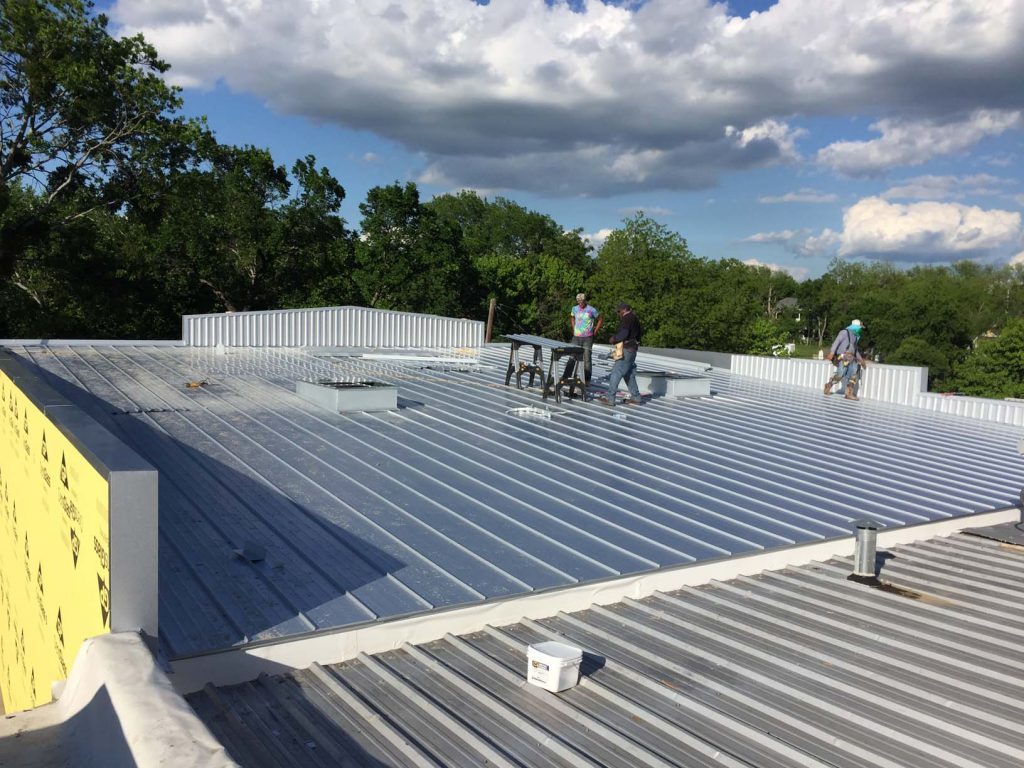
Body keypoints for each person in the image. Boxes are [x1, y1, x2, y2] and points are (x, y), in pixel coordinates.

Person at [599, 303, 643, 406]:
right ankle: (636, 397)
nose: (618, 314)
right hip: (632, 349)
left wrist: (614, 338)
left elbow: (624, 333)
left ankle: (610, 398)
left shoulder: (627, 318)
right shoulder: (635, 318)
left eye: (618, 312)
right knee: (628, 374)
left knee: (616, 372)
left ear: (623, 310)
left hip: (626, 349)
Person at [563, 292, 603, 386]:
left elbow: (600, 319)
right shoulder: (574, 308)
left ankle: (587, 380)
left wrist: (595, 331)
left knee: (587, 358)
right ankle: (566, 376)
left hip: (588, 337)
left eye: (582, 301)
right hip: (576, 336)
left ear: (585, 300)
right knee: (572, 356)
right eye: (579, 301)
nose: (580, 303)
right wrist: (573, 327)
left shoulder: (591, 310)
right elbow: (572, 317)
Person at [825, 319, 867, 400]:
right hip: (842, 357)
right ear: (856, 326)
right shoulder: (844, 332)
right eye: (860, 327)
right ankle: (828, 386)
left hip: (852, 358)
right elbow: (836, 342)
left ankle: (849, 393)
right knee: (840, 374)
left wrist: (861, 360)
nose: (860, 329)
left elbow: (855, 350)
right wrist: (831, 353)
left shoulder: (855, 336)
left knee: (854, 374)